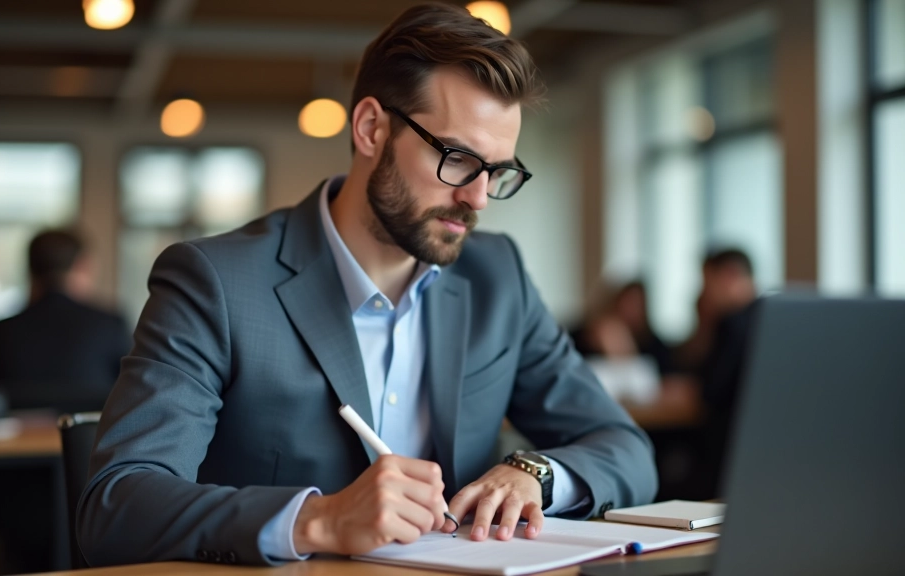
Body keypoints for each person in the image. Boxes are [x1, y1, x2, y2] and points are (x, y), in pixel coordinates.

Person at [78, 3, 657, 567]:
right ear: (371, 128)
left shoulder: (496, 276)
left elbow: (624, 447)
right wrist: (319, 520)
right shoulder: (216, 282)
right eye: (457, 159)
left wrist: (535, 474)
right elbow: (116, 504)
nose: (478, 198)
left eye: (497, 171)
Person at [0, 229, 130, 413]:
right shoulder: (111, 325)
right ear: (82, 266)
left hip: (19, 432)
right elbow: (129, 397)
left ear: (30, 270)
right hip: (91, 432)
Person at [672, 248, 756, 375]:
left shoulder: (734, 326)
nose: (703, 292)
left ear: (730, 276)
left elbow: (713, 383)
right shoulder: (728, 322)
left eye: (707, 283)